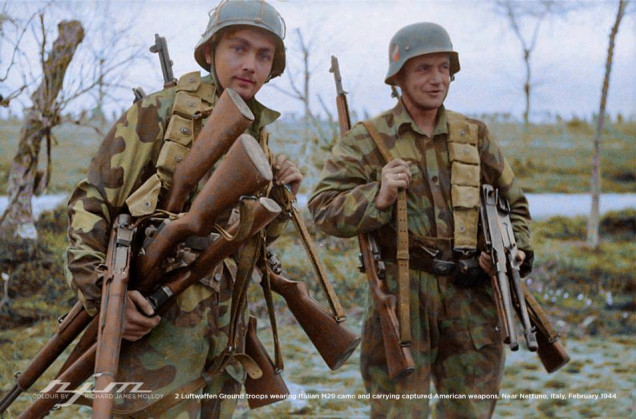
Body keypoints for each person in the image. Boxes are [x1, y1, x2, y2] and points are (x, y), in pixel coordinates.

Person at [65, 0, 302, 417]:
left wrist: (280, 203)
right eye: (238, 48)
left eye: (264, 55)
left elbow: (250, 241)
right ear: (210, 52)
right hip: (154, 348)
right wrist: (105, 298)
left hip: (222, 350)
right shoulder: (159, 113)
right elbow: (92, 204)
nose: (250, 64)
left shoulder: (259, 134)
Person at [309, 22, 533, 418]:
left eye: (444, 68)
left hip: (472, 297)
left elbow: (513, 203)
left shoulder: (474, 135)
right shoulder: (367, 139)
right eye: (423, 69)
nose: (437, 79)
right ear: (398, 78)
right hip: (402, 296)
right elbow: (323, 208)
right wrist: (376, 195)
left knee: (471, 412)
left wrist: (516, 249)